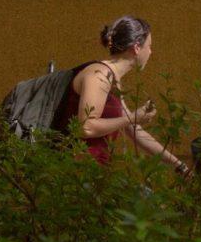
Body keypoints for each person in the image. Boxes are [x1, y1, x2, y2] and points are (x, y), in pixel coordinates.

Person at [56, 15, 190, 175]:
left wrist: (180, 165)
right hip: (74, 174)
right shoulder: (99, 75)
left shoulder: (112, 79)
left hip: (94, 173)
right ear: (136, 48)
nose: (151, 52)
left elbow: (133, 129)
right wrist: (132, 117)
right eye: (149, 46)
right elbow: (86, 127)